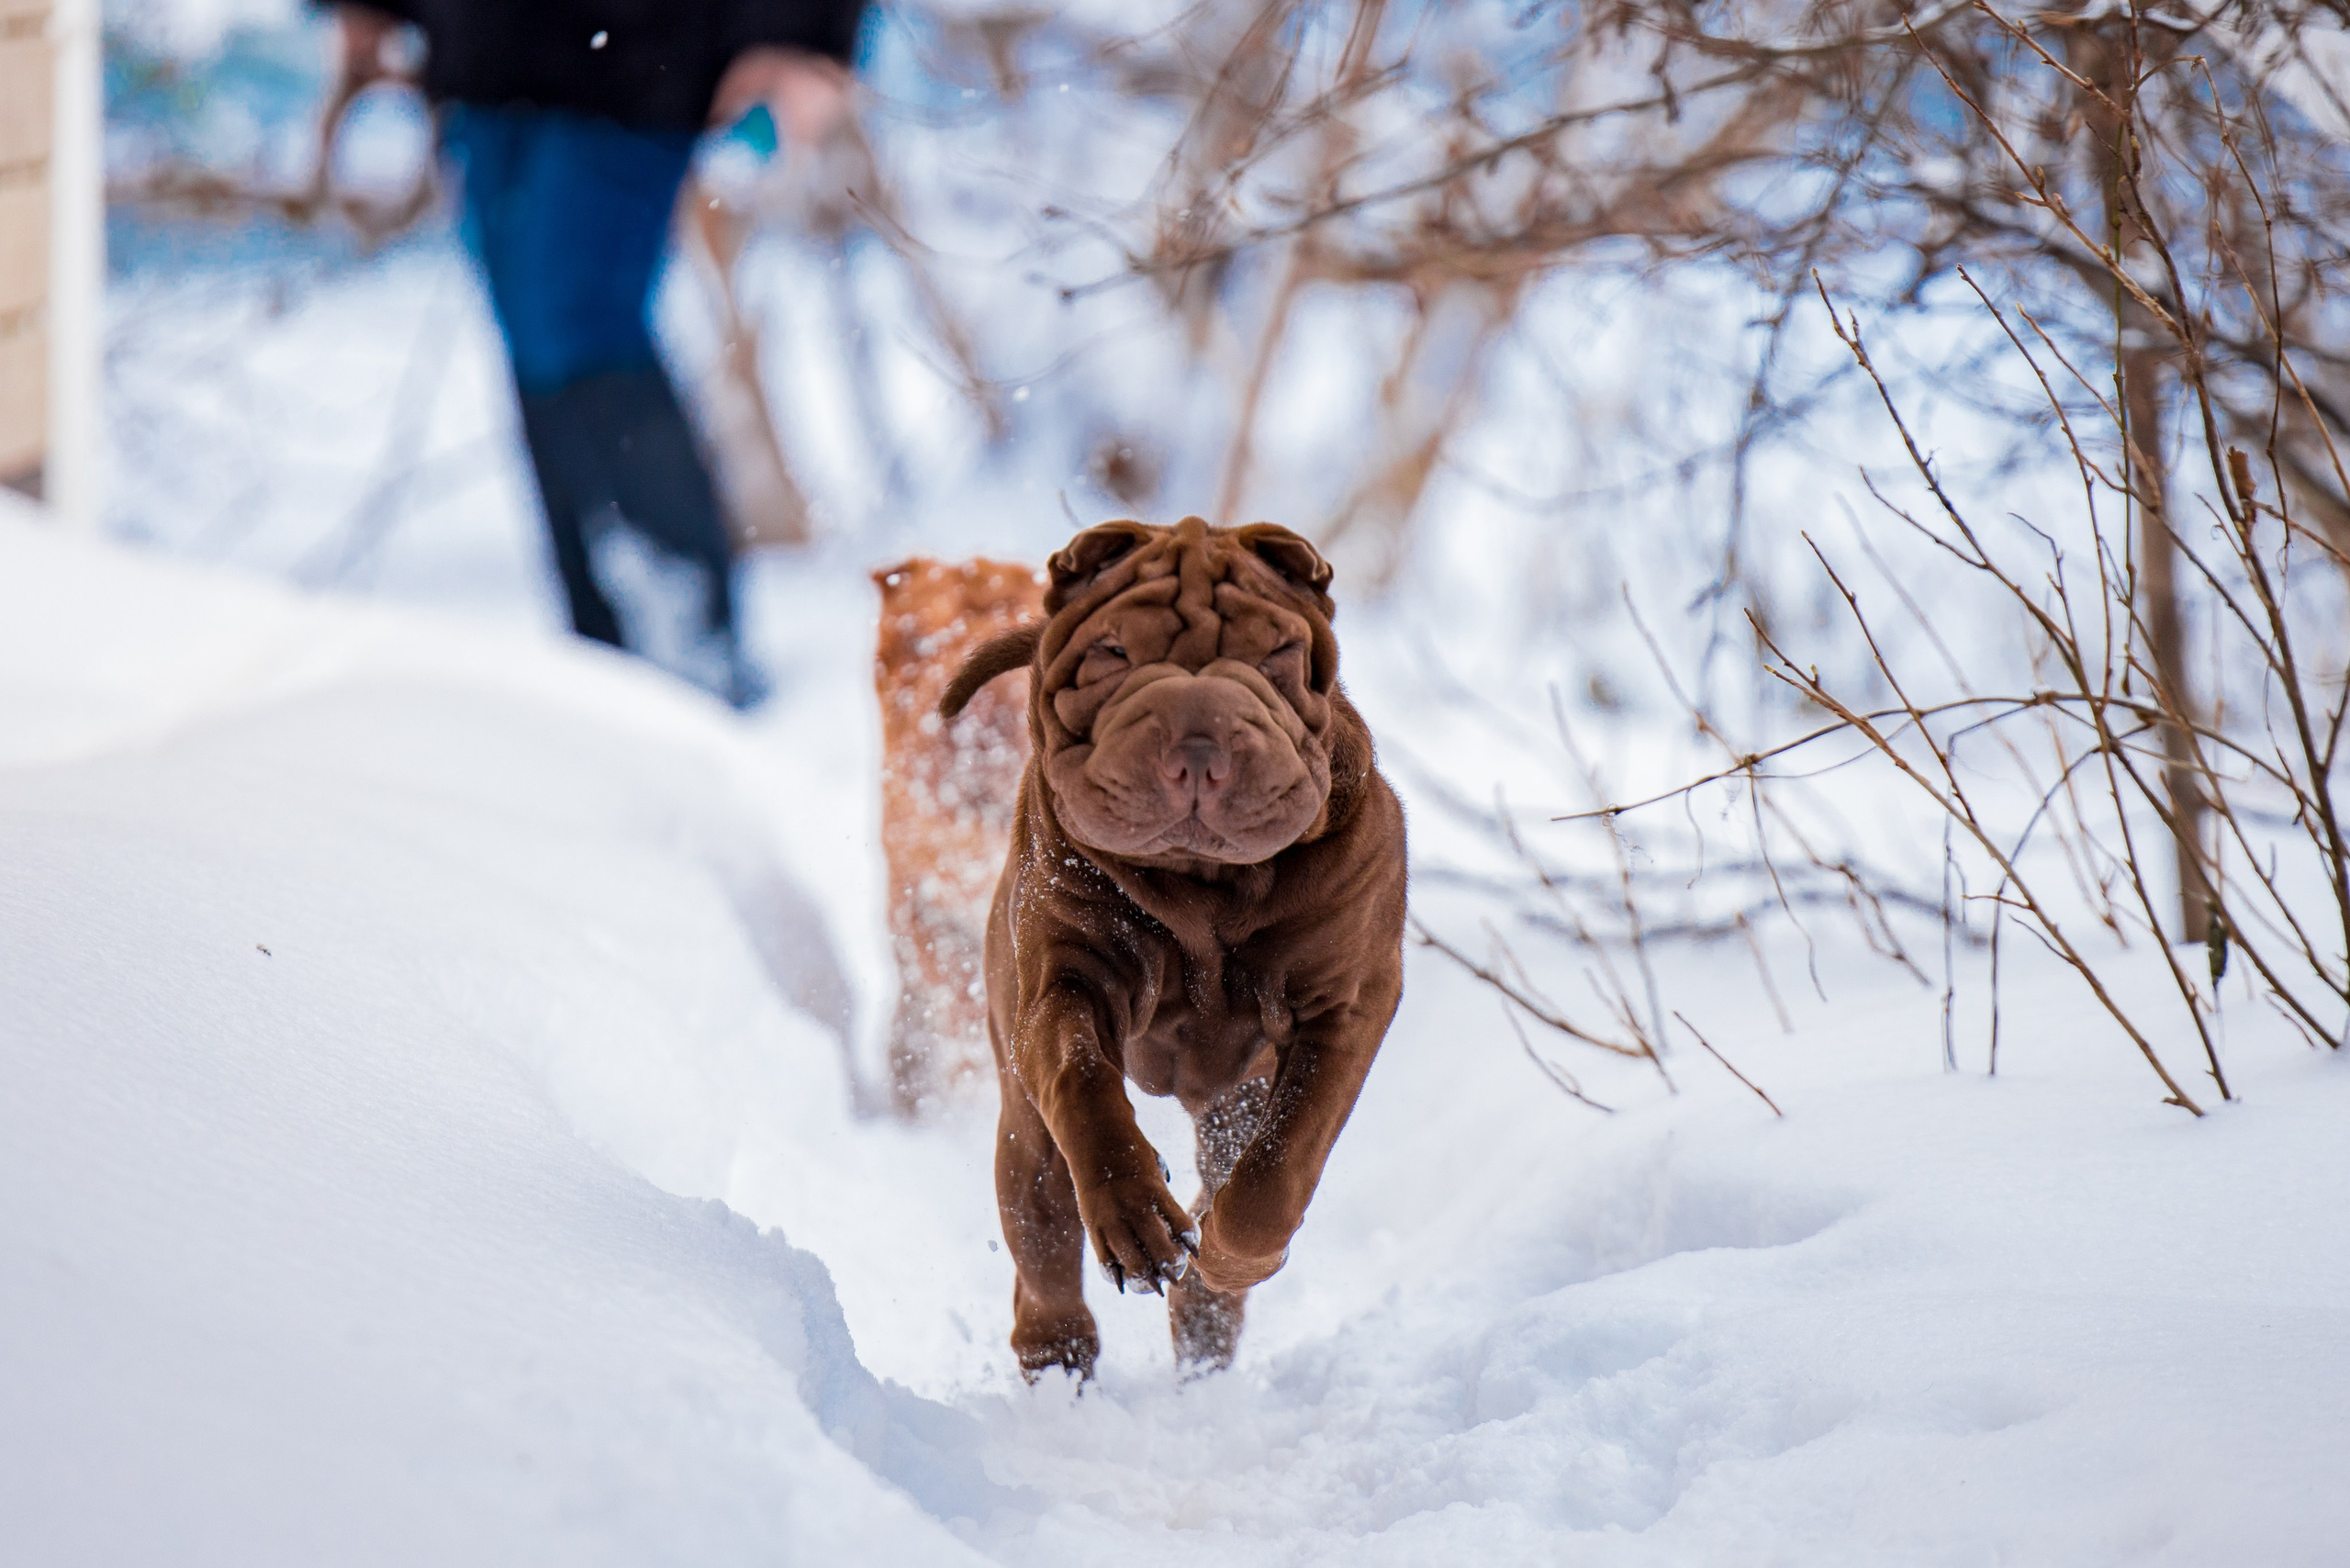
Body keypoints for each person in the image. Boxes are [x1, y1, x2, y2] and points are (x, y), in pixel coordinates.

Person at [333, 1, 864, 706]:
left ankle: (689, 648)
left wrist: (803, 30)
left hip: (640, 52)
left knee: (577, 324)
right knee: (530, 337)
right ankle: (604, 660)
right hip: (485, 46)